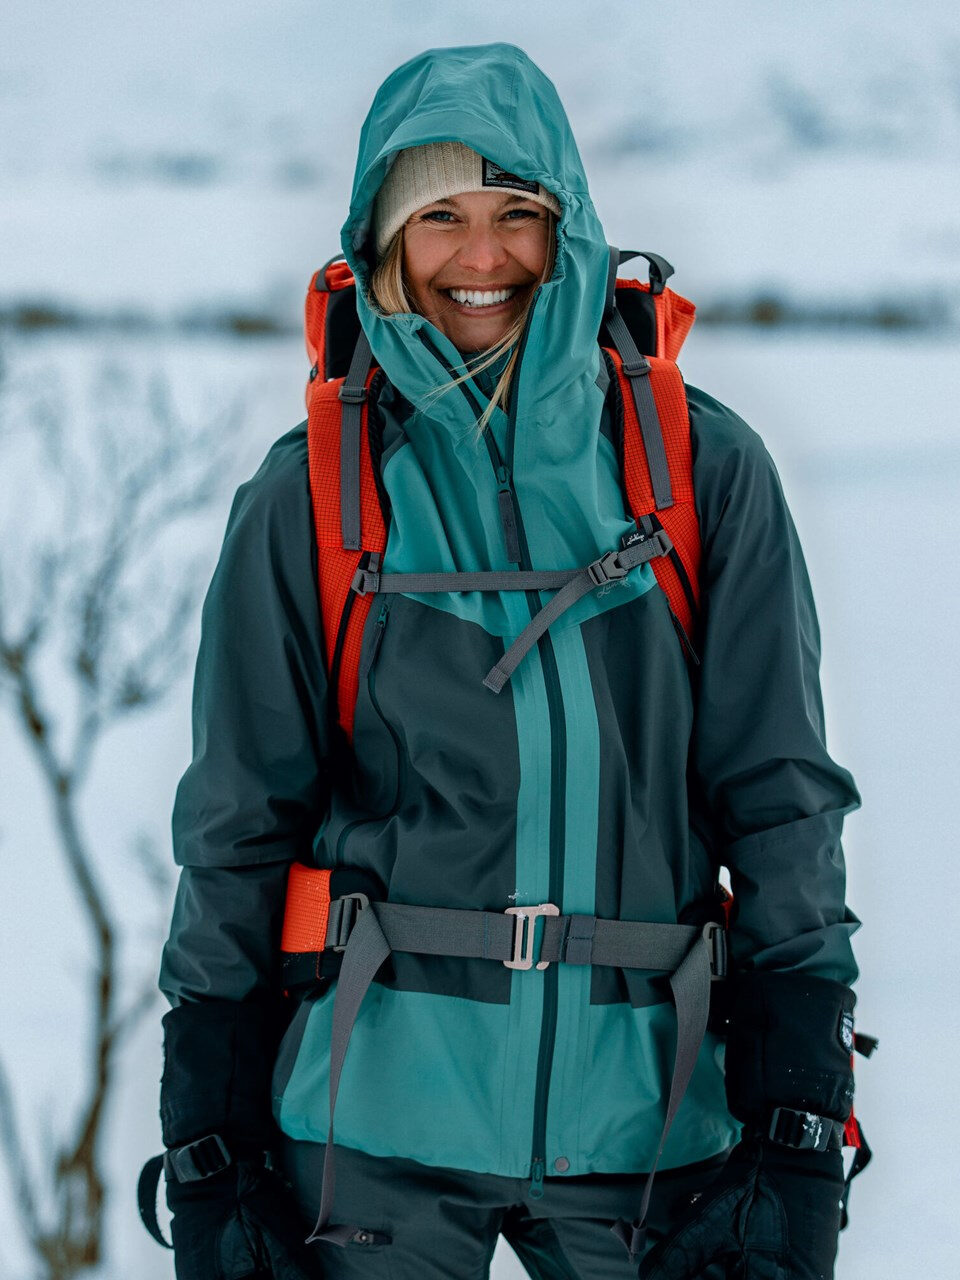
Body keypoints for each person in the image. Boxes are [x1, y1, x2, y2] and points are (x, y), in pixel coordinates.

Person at [151, 42, 863, 1280]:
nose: (482, 259)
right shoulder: (313, 493)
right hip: (366, 1134)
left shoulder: (697, 472)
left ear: (571, 228)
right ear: (382, 239)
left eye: (517, 215)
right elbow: (238, 821)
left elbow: (782, 796)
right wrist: (208, 1120)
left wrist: (800, 1106)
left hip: (650, 1120)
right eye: (440, 218)